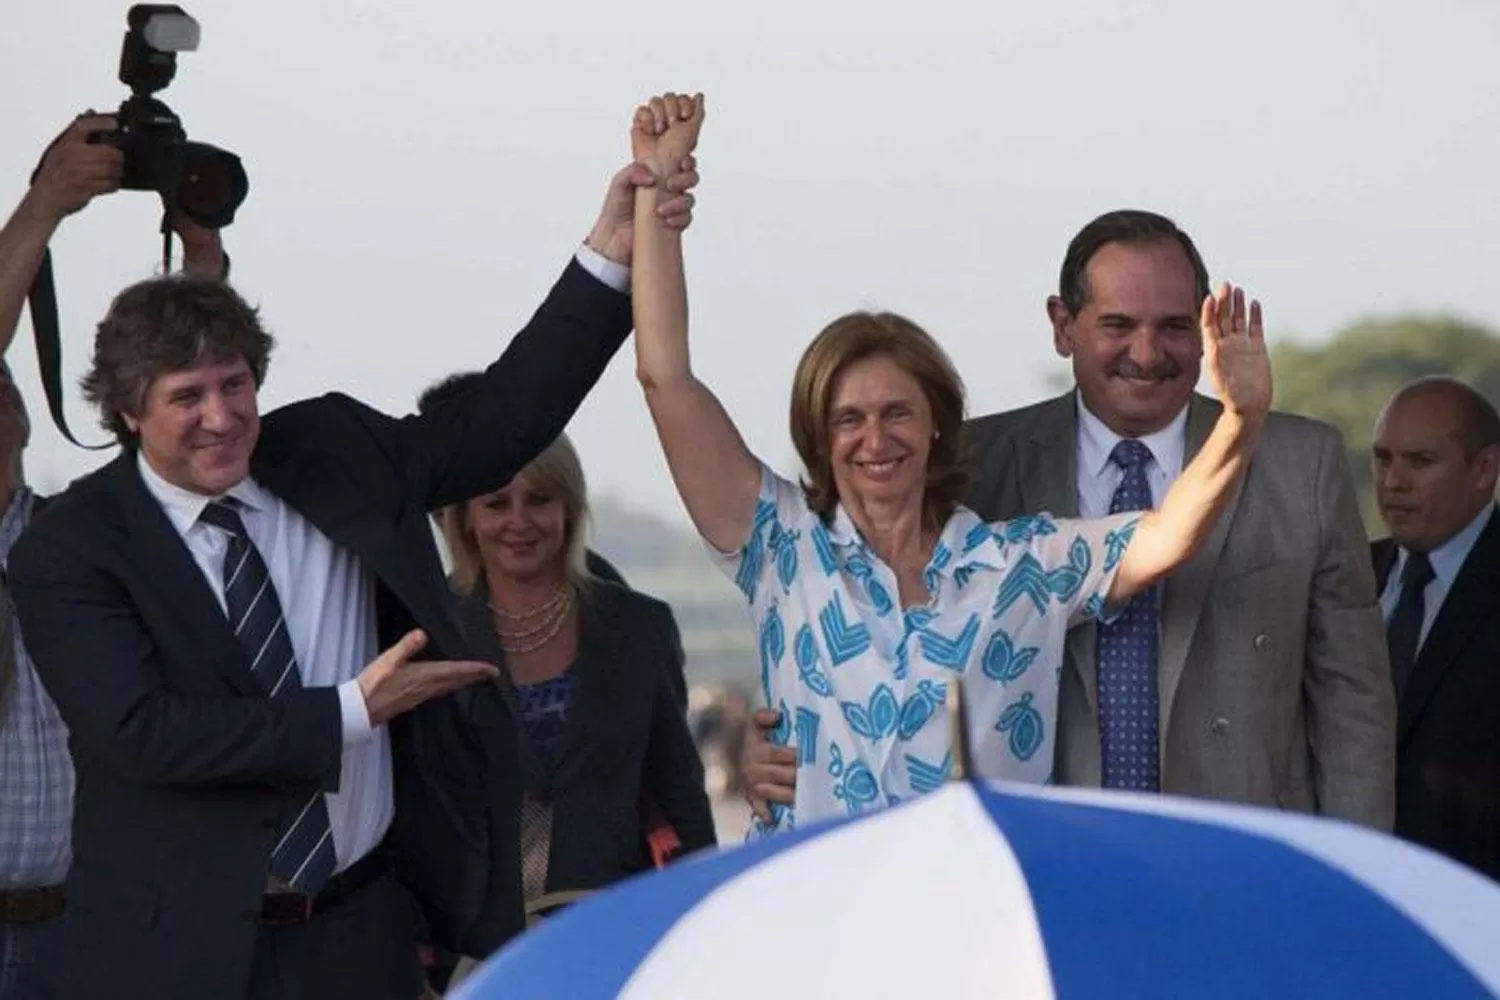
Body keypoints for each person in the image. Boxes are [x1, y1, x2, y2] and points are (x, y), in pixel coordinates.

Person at [5, 108, 700, 999]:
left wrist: (611, 242)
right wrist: (352, 710)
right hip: (171, 957)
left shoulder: (330, 450)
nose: (221, 417)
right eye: (187, 397)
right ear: (128, 412)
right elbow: (145, 733)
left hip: (358, 933)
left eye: (236, 385)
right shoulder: (72, 545)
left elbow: (503, 418)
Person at [630, 95, 1272, 832]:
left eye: (897, 413)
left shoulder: (1024, 566)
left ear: (936, 423)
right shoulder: (779, 547)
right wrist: (656, 195)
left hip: (971, 919)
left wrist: (1240, 420)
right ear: (820, 433)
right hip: (813, 915)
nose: (876, 439)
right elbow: (665, 380)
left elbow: (1166, 536)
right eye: (849, 419)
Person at [744, 210, 1396, 831]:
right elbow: (874, 629)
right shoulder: (969, 463)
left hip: (1237, 864)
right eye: (1117, 325)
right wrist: (780, 739)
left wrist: (1363, 877)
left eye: (1173, 326)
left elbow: (1353, 699)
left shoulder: (1296, 464)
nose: (1146, 352)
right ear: (1062, 325)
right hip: (1044, 867)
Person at [0, 113, 227, 1000]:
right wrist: (45, 205)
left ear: (23, 416)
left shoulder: (79, 541)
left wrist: (201, 268)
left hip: (83, 923)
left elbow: (179, 442)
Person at [414, 373, 715, 976]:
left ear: (570, 506)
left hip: (614, 942)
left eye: (540, 499)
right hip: (473, 958)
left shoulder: (641, 628)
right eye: (497, 503)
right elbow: (411, 815)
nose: (518, 521)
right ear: (465, 518)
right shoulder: (425, 635)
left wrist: (698, 936)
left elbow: (681, 801)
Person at [1370, 376, 1500, 879]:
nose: (1393, 482)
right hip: (1355, 901)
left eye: (1420, 462)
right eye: (1383, 459)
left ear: (1484, 468)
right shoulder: (1347, 578)